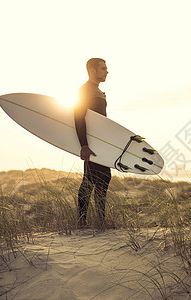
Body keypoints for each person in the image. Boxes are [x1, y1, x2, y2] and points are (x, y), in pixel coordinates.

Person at [74, 58, 111, 228]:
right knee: (89, 181)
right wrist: (84, 145)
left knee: (102, 179)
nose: (107, 72)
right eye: (103, 68)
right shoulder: (85, 90)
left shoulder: (96, 90)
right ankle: (83, 220)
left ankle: (99, 219)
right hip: (91, 144)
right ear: (93, 70)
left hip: (99, 143)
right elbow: (78, 117)